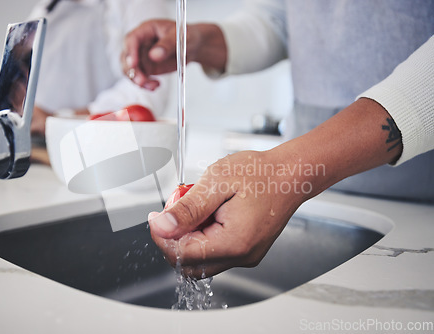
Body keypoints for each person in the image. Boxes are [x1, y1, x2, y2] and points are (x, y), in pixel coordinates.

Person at [121, 0, 434, 278]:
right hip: (313, 195)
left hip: (421, 204)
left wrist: (291, 169)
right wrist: (202, 40)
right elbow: (286, 16)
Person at [22, 0, 170, 135]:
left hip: (100, 144)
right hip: (39, 147)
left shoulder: (138, 5)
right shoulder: (45, 8)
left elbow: (148, 95)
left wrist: (59, 120)